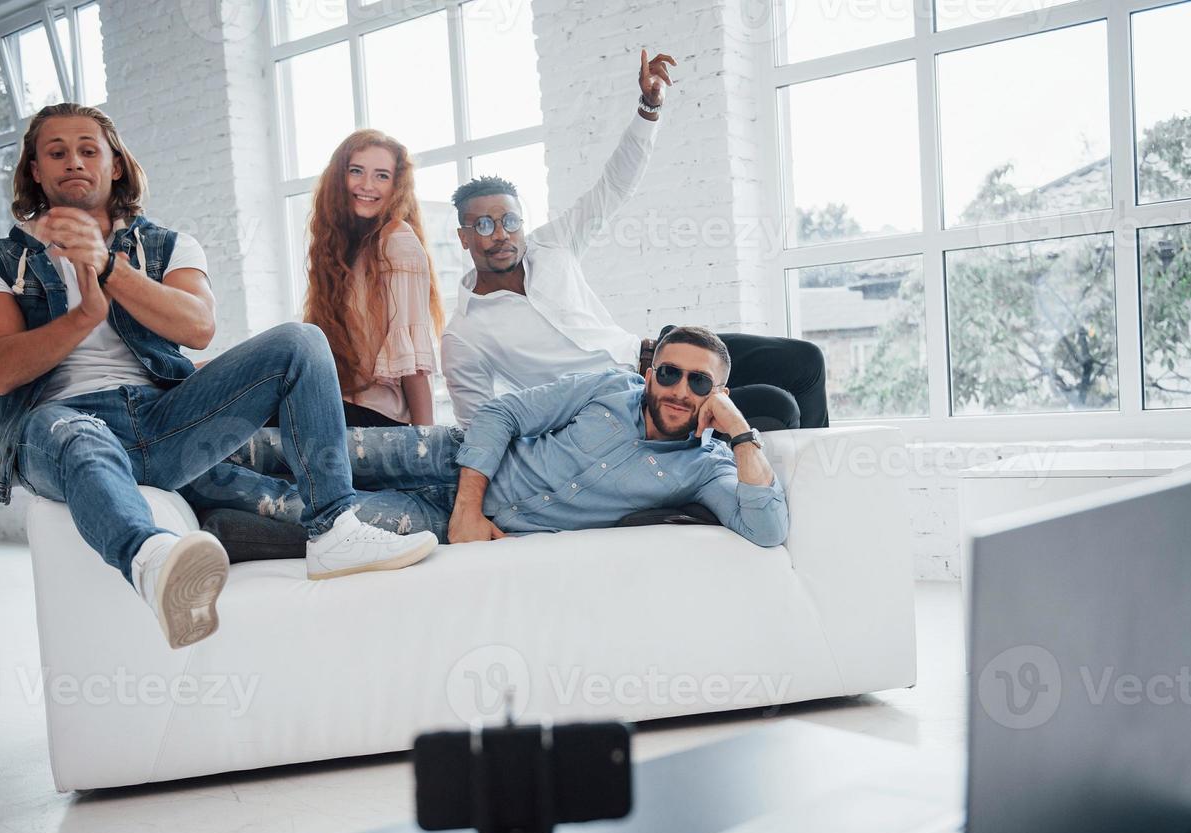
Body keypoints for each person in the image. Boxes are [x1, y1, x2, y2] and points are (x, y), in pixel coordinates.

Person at [0, 103, 436, 649]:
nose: (74, 161)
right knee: (75, 432)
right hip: (60, 426)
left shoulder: (167, 246)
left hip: (165, 420)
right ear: (35, 170)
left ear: (114, 165)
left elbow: (198, 328)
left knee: (302, 342)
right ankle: (152, 562)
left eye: (88, 149)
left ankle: (333, 530)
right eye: (57, 152)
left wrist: (107, 268)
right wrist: (83, 318)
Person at [440, 48, 829, 431]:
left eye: (509, 220)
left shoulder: (552, 245)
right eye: (485, 225)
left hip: (664, 353)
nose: (501, 234)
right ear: (463, 237)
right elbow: (479, 426)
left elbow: (614, 186)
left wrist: (649, 108)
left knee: (804, 362)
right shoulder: (464, 334)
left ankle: (813, 483)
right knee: (776, 407)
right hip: (628, 407)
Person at [339, 326, 788, 547]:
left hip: (440, 519)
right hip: (445, 457)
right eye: (670, 374)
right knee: (286, 449)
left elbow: (766, 530)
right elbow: (503, 412)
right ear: (650, 376)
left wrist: (741, 432)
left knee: (303, 510)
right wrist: (468, 510)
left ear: (719, 395)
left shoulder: (708, 468)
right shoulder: (610, 386)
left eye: (699, 382)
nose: (679, 390)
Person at [303, 130, 442, 427]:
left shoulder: (396, 239)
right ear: (339, 178)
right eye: (356, 171)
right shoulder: (341, 248)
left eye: (381, 176)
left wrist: (424, 446)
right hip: (338, 404)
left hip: (376, 416)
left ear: (396, 186)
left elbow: (413, 360)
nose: (367, 185)